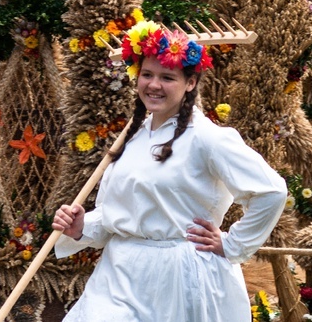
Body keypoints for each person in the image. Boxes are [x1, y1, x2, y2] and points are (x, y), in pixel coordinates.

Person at [52, 21, 287, 322]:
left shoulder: (208, 138)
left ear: (190, 83)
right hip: (120, 274)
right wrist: (83, 227)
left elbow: (271, 191)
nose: (153, 85)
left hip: (179, 279)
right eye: (147, 74)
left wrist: (233, 245)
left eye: (167, 77)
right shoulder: (134, 136)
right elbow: (123, 212)